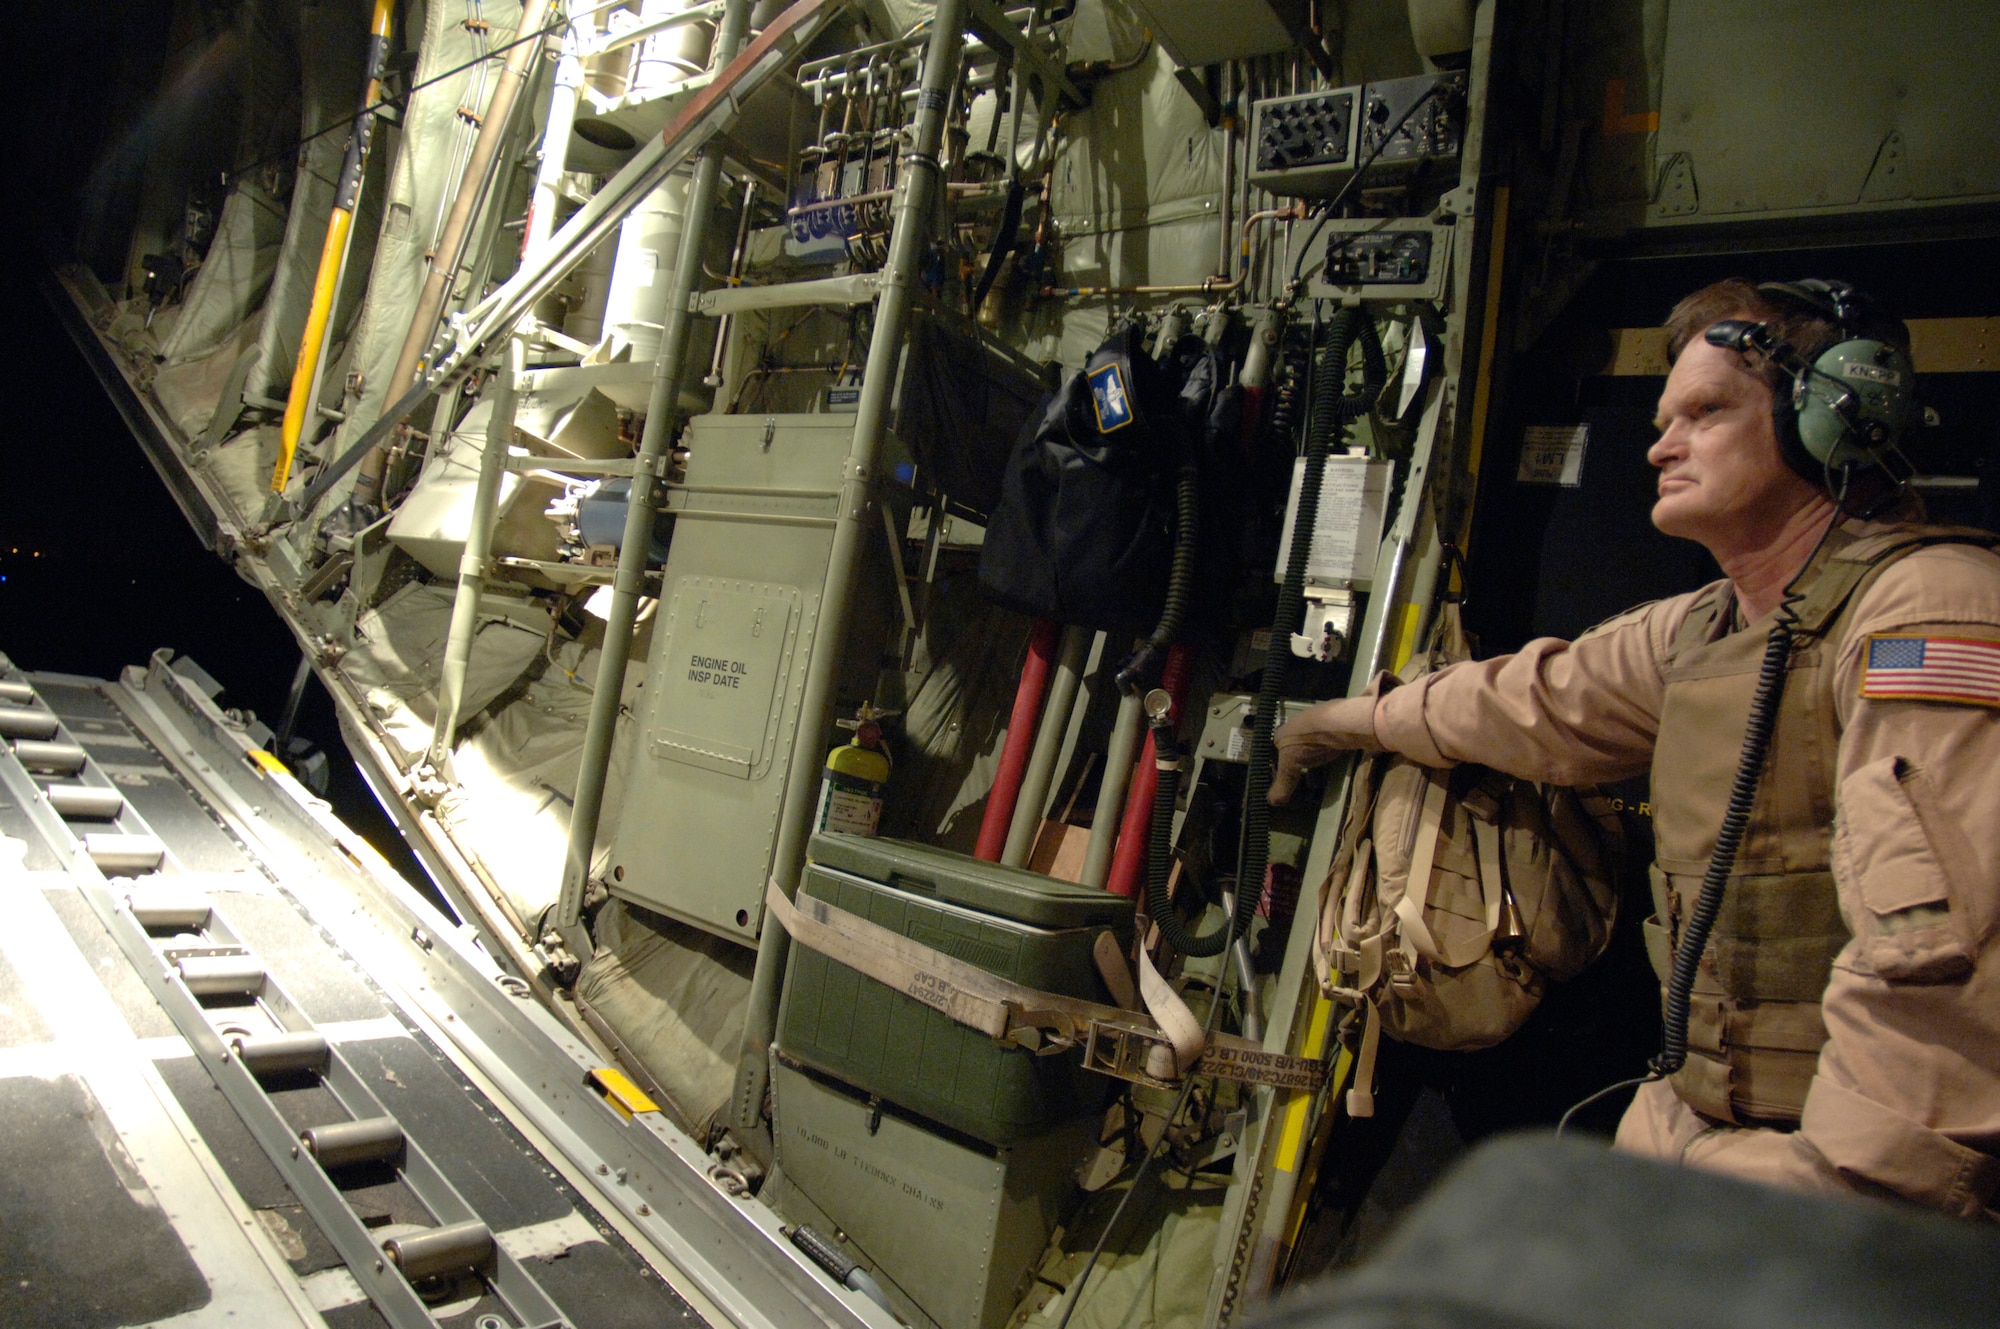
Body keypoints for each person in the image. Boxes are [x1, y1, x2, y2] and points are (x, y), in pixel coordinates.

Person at [1267, 278, 2000, 1219]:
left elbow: (1942, 982)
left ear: (1832, 419)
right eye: (1662, 418)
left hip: (1842, 1181)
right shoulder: (1709, 626)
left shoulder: (1932, 609)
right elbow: (1528, 701)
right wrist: (1345, 723)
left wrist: (1833, 1198)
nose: (1661, 444)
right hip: (1697, 1123)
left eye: (1705, 410)